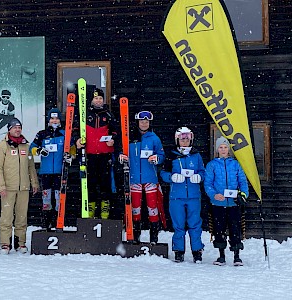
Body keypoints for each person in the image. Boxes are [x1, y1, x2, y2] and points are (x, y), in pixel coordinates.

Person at [119, 110, 166, 244]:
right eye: (142, 121)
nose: (144, 124)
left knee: (152, 208)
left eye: (146, 122)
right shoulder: (130, 137)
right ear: (138, 122)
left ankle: (154, 237)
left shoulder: (154, 138)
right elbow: (122, 152)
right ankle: (136, 236)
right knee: (135, 208)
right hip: (134, 179)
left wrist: (157, 158)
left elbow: (162, 156)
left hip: (150, 178)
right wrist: (121, 156)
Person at [0, 118, 39, 254]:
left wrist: (34, 183)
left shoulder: (26, 145)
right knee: (6, 217)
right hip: (8, 188)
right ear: (9, 129)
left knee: (22, 217)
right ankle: (5, 244)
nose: (17, 130)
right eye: (15, 127)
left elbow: (31, 166)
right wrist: (1, 186)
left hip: (23, 187)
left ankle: (20, 243)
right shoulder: (2, 146)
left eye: (19, 127)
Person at [160, 126, 205, 263]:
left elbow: (203, 172)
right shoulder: (172, 156)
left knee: (195, 224)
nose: (185, 141)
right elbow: (163, 173)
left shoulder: (196, 155)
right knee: (178, 225)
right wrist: (172, 177)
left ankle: (197, 251)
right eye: (182, 139)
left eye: (187, 138)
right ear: (177, 140)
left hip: (193, 196)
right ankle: (179, 251)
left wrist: (199, 177)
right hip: (176, 197)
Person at [204, 136, 249, 266]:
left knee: (235, 229)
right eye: (221, 147)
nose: (223, 150)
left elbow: (243, 182)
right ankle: (221, 256)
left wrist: (242, 195)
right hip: (218, 204)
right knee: (219, 229)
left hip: (234, 204)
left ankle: (237, 256)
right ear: (217, 149)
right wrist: (214, 195)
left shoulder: (236, 164)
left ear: (228, 149)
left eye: (225, 147)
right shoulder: (211, 165)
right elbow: (208, 183)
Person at [74, 88, 118, 219]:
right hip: (89, 155)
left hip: (105, 155)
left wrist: (113, 139)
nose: (98, 101)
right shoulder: (84, 115)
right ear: (91, 100)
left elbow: (116, 131)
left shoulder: (108, 115)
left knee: (105, 183)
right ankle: (90, 210)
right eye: (96, 98)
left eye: (100, 98)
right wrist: (76, 140)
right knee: (90, 183)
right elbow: (76, 130)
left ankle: (105, 211)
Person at [30, 108, 75, 230]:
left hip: (60, 172)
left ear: (60, 120)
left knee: (58, 198)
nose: (54, 120)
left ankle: (57, 222)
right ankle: (46, 223)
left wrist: (70, 155)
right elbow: (32, 148)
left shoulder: (65, 134)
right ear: (48, 120)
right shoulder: (42, 134)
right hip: (46, 172)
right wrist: (39, 150)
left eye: (56, 118)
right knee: (46, 198)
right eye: (52, 118)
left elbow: (72, 148)